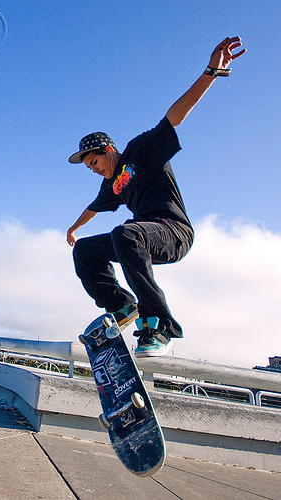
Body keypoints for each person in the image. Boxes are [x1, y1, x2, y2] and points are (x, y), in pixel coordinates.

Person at [67, 37, 246, 358]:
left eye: (94, 163)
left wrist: (210, 72)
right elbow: (93, 207)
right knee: (85, 251)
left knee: (126, 232)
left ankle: (160, 325)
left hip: (173, 233)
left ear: (108, 151)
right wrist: (73, 230)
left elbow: (175, 116)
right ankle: (123, 307)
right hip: (137, 240)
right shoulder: (113, 185)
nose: (94, 171)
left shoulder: (140, 150)